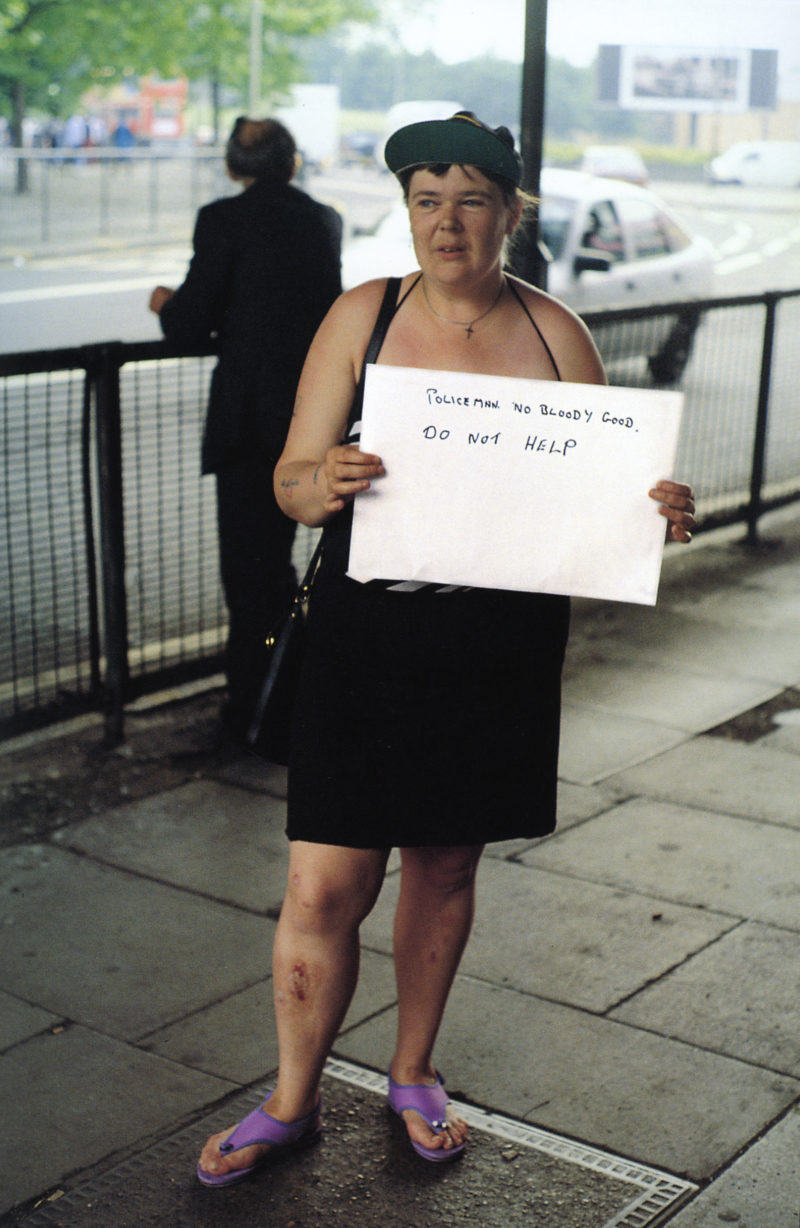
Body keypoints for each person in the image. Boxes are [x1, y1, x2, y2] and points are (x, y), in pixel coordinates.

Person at [196, 111, 695, 1186]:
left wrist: (650, 507)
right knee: (324, 882)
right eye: (426, 200)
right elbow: (288, 478)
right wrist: (317, 484)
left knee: (445, 862)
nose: (446, 222)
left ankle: (411, 1069)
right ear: (406, 211)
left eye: (471, 199)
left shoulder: (556, 333)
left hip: (494, 643)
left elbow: (601, 502)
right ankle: (289, 1097)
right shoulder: (361, 317)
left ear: (509, 213)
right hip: (365, 636)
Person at [149, 117, 342, 740]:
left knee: (249, 573)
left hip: (248, 424)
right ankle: (292, 691)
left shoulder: (221, 220)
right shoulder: (323, 220)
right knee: (284, 565)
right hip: (314, 416)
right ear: (291, 163)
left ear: (233, 167)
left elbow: (190, 320)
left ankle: (253, 709)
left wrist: (165, 304)